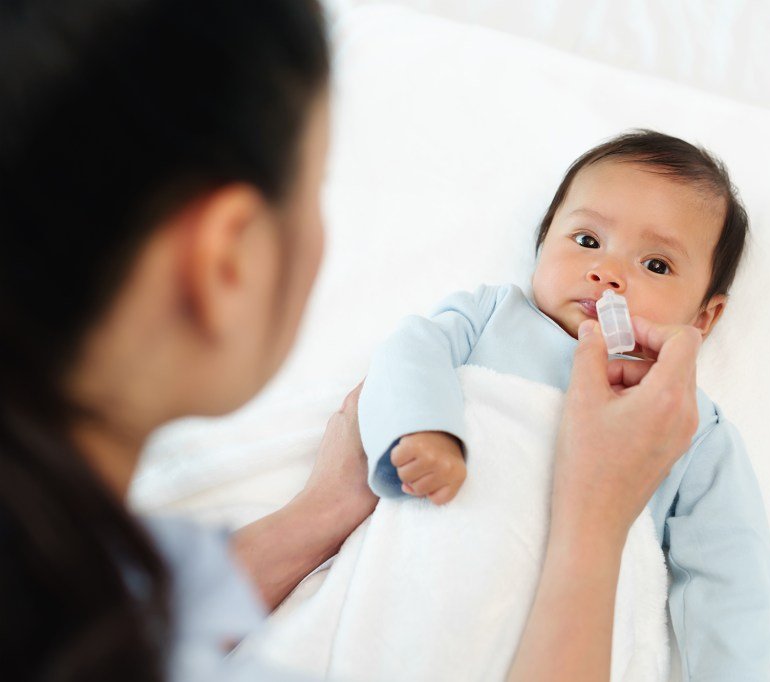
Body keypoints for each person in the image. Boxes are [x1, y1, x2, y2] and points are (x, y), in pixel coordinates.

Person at [0, 1, 704, 680]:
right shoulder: (484, 321)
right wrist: (595, 521)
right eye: (316, 188)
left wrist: (323, 510)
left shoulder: (71, 586)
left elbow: (136, 629)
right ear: (224, 264)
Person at [358, 130, 770, 678]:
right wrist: (426, 429)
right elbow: (410, 353)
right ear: (541, 244)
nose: (608, 274)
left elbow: (730, 578)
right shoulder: (489, 317)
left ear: (703, 318)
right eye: (586, 240)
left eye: (655, 265)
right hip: (428, 589)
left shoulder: (686, 420)